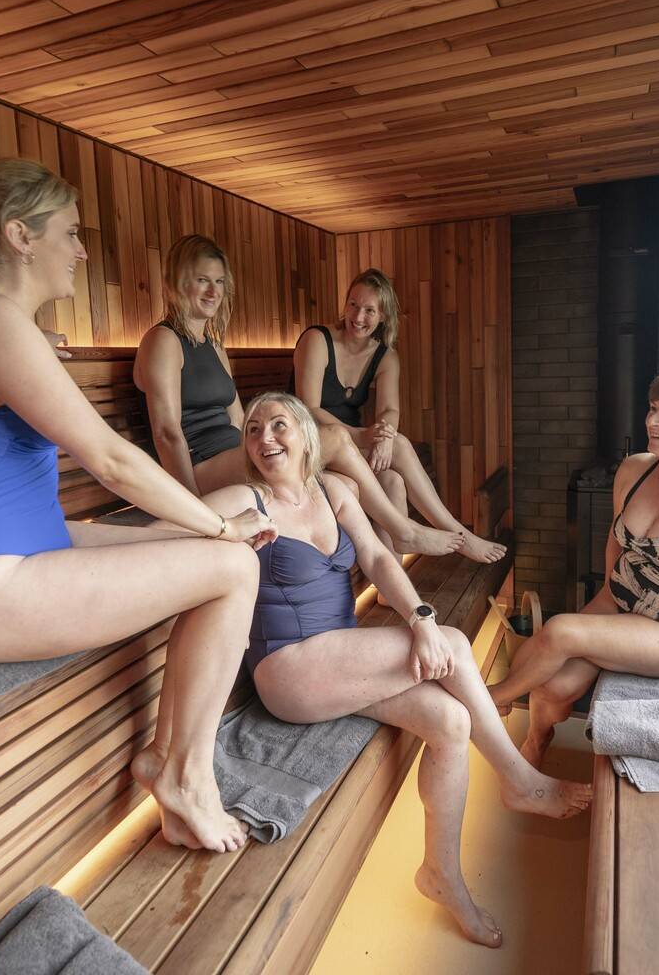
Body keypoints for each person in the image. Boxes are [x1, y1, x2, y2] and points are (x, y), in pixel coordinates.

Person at [0, 157, 277, 853]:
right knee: (232, 566)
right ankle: (182, 775)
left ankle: (174, 765)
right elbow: (109, 459)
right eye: (70, 233)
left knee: (199, 544)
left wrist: (206, 530)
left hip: (23, 547)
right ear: (20, 235)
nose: (80, 250)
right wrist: (220, 525)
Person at [169, 392, 592, 947]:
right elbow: (168, 523)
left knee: (450, 722)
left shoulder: (334, 490)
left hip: (340, 659)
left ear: (304, 435)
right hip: (287, 670)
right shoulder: (242, 497)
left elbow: (377, 558)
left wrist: (419, 618)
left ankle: (441, 874)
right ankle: (520, 780)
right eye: (252, 429)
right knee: (457, 644)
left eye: (278, 425)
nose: (264, 438)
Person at [487, 366, 659, 768]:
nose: (652, 421)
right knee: (552, 686)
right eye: (653, 408)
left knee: (560, 631)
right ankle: (536, 740)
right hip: (623, 603)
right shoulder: (635, 469)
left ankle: (489, 701)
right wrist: (607, 598)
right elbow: (616, 541)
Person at [134, 235, 462, 557]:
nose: (213, 291)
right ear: (178, 282)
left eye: (219, 281)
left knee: (342, 486)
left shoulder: (214, 345)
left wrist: (263, 451)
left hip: (236, 458)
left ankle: (343, 579)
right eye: (202, 280)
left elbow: (238, 418)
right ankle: (402, 530)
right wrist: (194, 511)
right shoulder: (163, 341)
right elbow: (167, 433)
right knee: (332, 437)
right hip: (200, 466)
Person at [294, 268, 505, 564]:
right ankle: (459, 535)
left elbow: (389, 411)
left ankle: (390, 586)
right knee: (402, 447)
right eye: (353, 304)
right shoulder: (317, 340)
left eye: (370, 310)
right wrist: (364, 436)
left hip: (351, 442)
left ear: (383, 316)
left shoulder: (385, 357)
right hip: (310, 441)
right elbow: (308, 408)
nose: (358, 316)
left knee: (393, 480)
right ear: (345, 304)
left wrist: (384, 437)